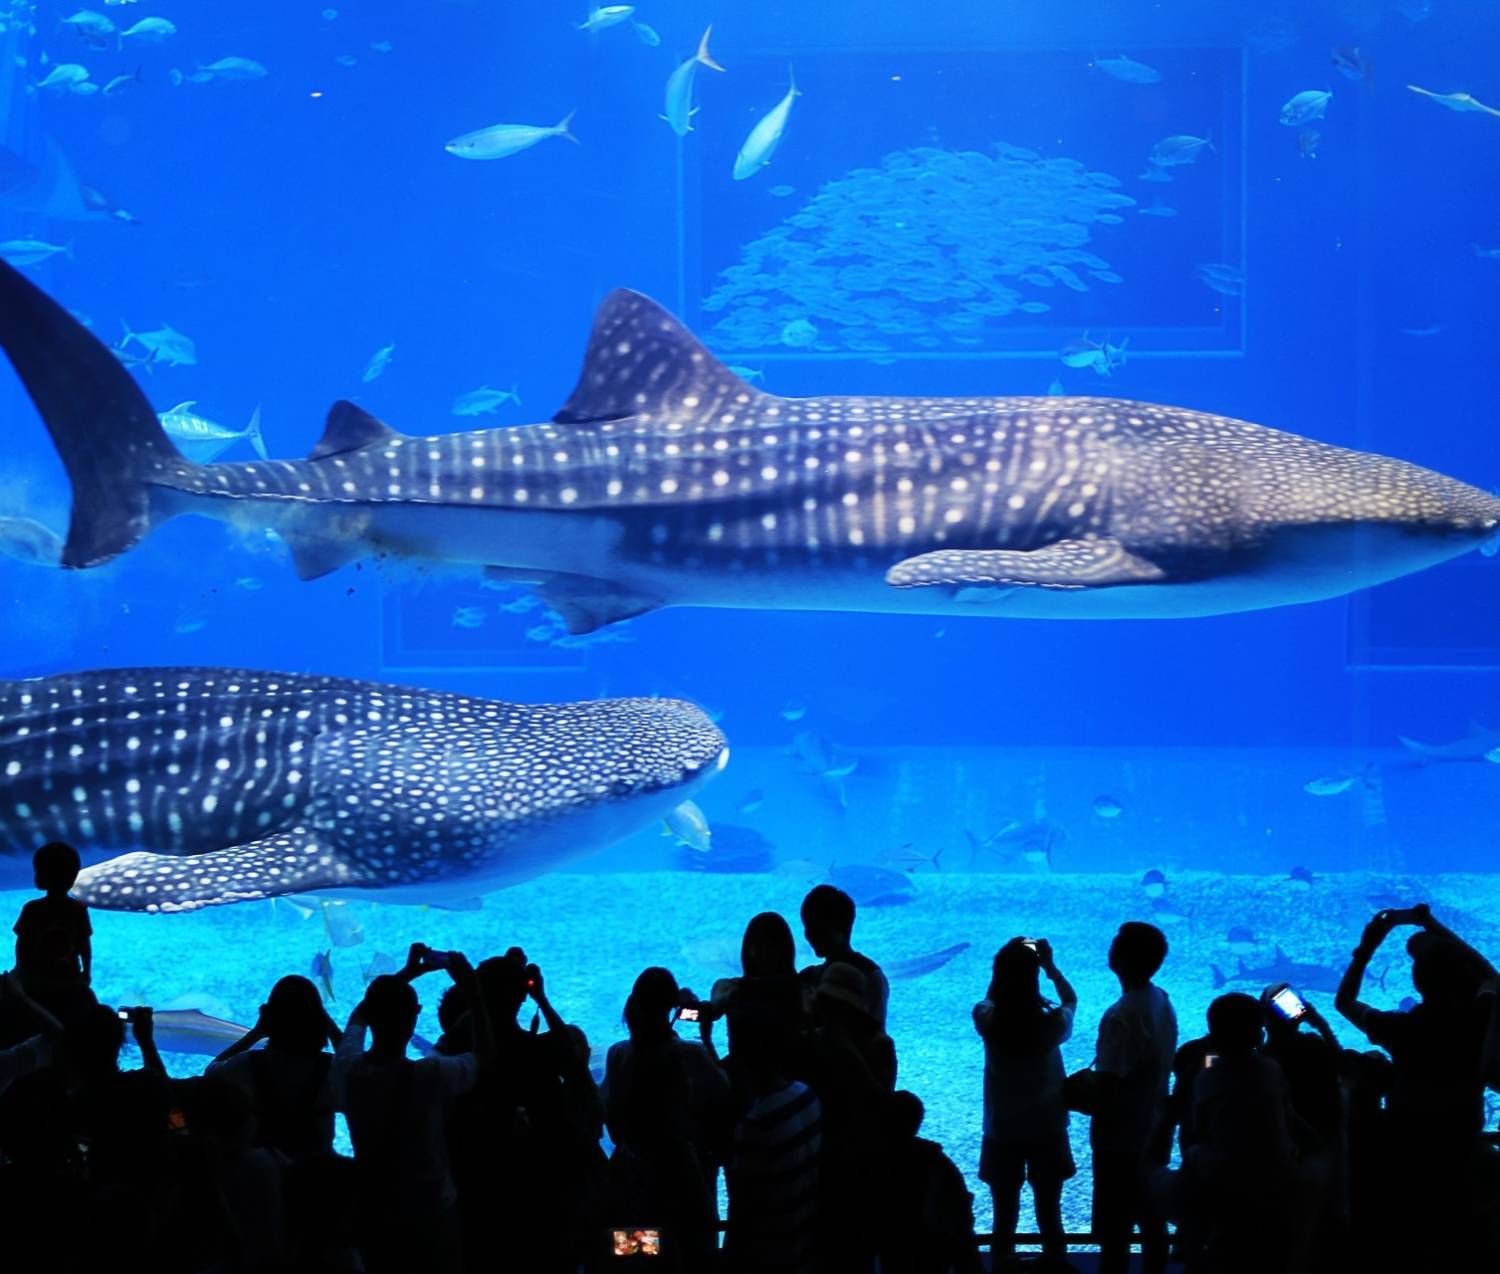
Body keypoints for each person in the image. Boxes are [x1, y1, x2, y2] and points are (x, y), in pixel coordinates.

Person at [1334, 903, 1495, 1270]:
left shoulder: (1403, 1029)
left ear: (1418, 983)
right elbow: (1490, 977)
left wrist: (1367, 947)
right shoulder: (1477, 1019)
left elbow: (1344, 1002)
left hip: (1407, 1146)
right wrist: (1431, 925)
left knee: (1411, 1233)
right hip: (1462, 1142)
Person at [331, 943, 492, 1274]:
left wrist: (405, 975)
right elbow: (486, 1058)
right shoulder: (432, 1075)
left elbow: (359, 1016)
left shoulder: (348, 1069)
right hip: (432, 1209)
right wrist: (474, 991)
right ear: (416, 1016)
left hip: (375, 1210)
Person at [601, 967, 729, 1269]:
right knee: (691, 1254)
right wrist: (707, 1040)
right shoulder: (690, 1055)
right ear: (671, 1008)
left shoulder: (617, 1055)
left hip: (630, 1182)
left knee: (637, 1260)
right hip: (679, 1180)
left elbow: (611, 1115)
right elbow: (724, 1092)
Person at [1172, 993, 1301, 1273]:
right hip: (1270, 1185)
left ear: (1212, 1034)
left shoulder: (1205, 1071)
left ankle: (1189, 1249)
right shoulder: (1270, 1068)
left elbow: (1201, 1073)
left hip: (1216, 1179)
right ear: (1260, 1034)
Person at [973, 937, 1077, 1271]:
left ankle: (1002, 1263)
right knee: (1050, 1207)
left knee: (1004, 1207)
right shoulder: (1051, 1022)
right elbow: (1071, 999)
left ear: (998, 975)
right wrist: (1049, 966)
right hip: (1047, 1125)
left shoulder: (987, 1018)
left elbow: (990, 998)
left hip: (1002, 1126)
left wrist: (1005, 963)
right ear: (1034, 978)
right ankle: (1056, 1263)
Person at [1090, 921, 1176, 1274]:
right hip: (1153, 1126)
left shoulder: (1121, 1014)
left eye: (1116, 944)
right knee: (1152, 1218)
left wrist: (1070, 1094)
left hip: (1120, 1136)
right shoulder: (1160, 999)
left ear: (1121, 958)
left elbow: (1109, 1083)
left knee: (1115, 1229)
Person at [723, 1009, 823, 1274]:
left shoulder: (756, 1123)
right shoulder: (807, 1094)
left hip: (770, 1255)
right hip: (808, 1243)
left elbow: (744, 1206)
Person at [207, 973, 342, 1160]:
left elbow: (211, 1072)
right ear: (319, 1020)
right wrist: (323, 1018)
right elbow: (351, 1063)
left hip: (265, 1176)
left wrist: (256, 1032)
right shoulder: (332, 1068)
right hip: (317, 1176)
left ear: (269, 1018)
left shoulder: (247, 1064)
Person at [877, 1090, 984, 1274]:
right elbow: (961, 1211)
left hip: (894, 1244)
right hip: (932, 1245)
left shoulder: (874, 1162)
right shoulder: (937, 1160)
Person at [12, 841, 93, 1028]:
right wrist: (86, 973)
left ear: (40, 875)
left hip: (34, 983)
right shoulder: (78, 909)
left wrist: (20, 972)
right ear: (73, 876)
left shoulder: (32, 909)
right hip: (69, 981)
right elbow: (84, 945)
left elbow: (21, 945)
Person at [799, 885, 889, 1030]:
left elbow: (875, 1037)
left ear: (842, 928)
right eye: (807, 928)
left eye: (819, 929)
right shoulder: (807, 977)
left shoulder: (870, 976)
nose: (811, 936)